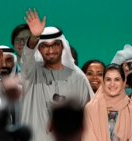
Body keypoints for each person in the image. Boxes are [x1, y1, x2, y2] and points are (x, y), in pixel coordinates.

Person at [20, 8, 94, 141]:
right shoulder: (32, 73)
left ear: (62, 47)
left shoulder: (77, 77)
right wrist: (34, 37)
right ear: (39, 49)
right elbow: (27, 58)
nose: (51, 50)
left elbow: (89, 115)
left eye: (55, 45)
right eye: (45, 46)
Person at [82, 64, 132, 141]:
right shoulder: (90, 108)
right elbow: (88, 138)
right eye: (108, 79)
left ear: (124, 82)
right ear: (103, 82)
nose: (112, 84)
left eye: (117, 79)